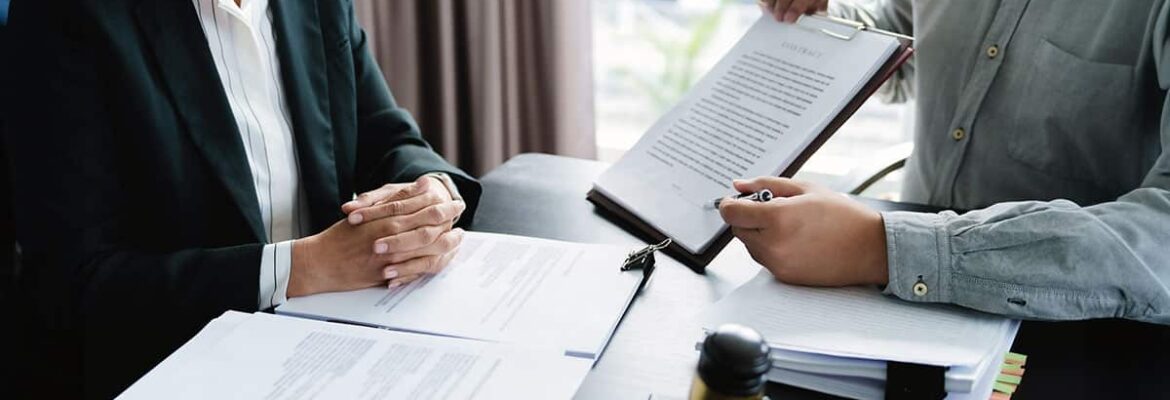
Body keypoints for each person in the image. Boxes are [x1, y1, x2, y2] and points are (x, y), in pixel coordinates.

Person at [2, 0, 480, 397]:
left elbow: (388, 138)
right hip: (176, 367)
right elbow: (75, 285)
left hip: (329, 348)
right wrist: (302, 267)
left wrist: (431, 193)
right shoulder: (65, 16)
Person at [720, 0, 1170, 324]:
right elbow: (903, 46)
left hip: (1075, 328)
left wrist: (881, 248)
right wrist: (824, 19)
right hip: (889, 293)